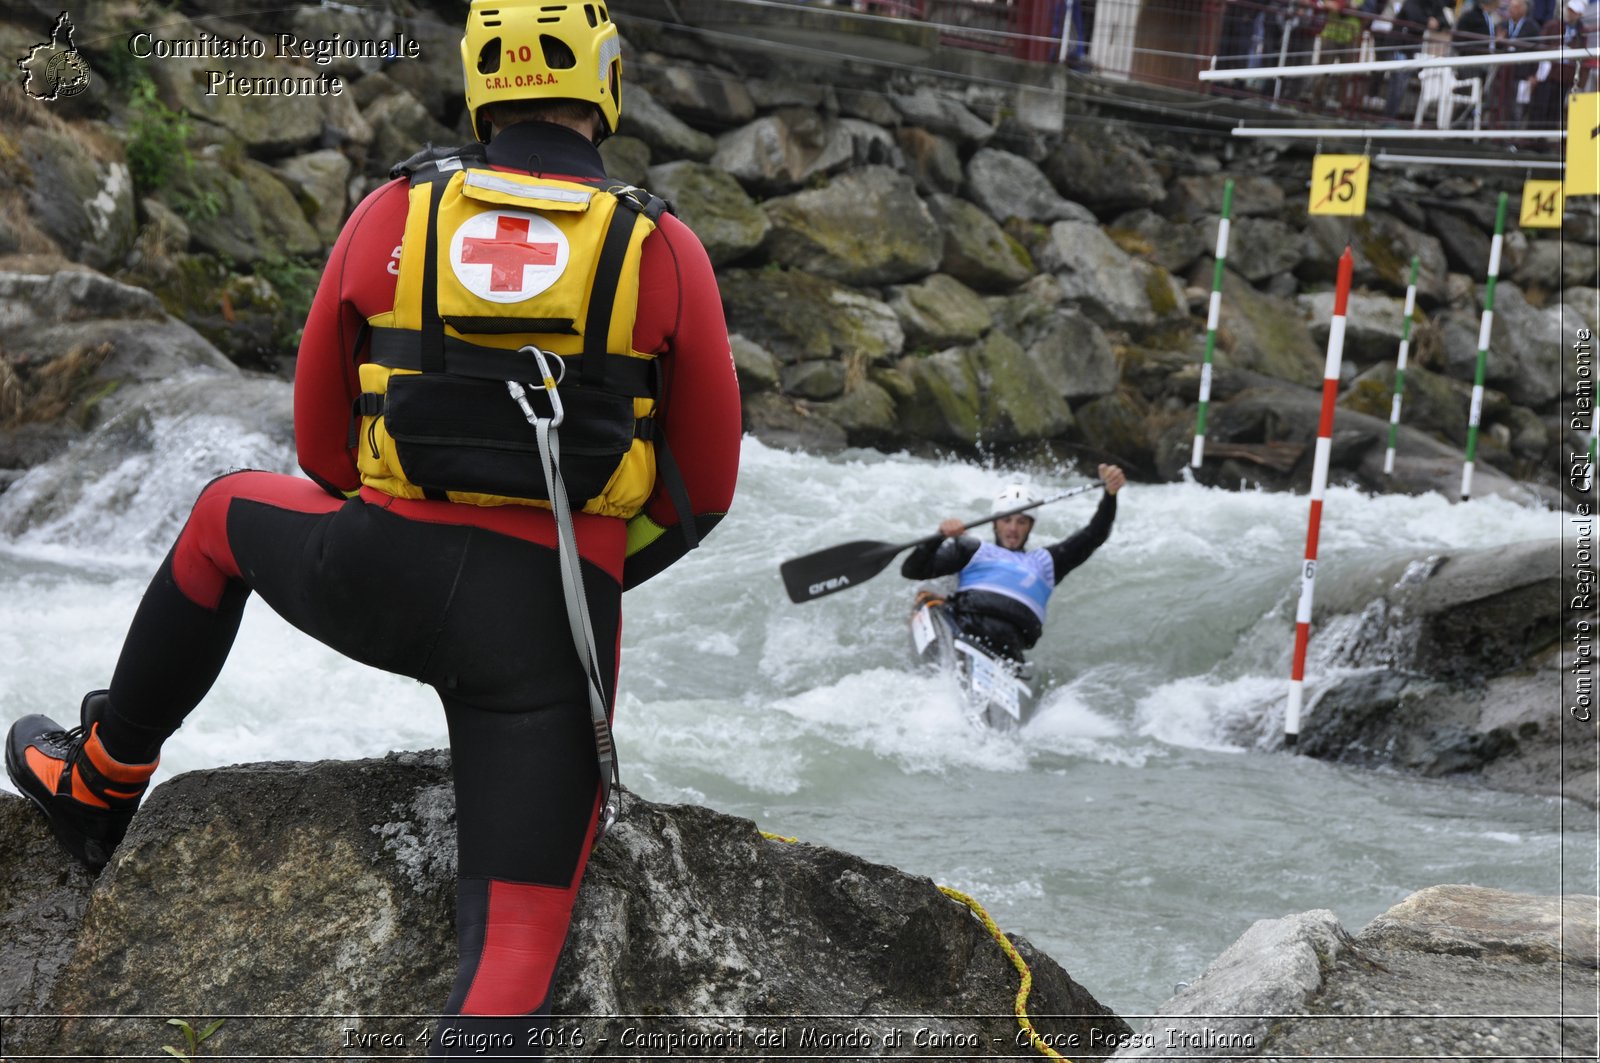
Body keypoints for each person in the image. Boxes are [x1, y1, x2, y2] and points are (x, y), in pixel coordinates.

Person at [3, 0, 741, 1056]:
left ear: (484, 88)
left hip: (374, 570)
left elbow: (318, 448)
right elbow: (703, 492)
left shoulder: (396, 211)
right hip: (540, 642)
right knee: (511, 962)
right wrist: (590, 573)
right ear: (606, 84)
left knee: (221, 512)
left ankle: (103, 775)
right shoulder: (663, 244)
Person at [900, 465, 1126, 662]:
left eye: (1021, 522)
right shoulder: (971, 550)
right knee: (929, 592)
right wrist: (938, 538)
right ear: (995, 523)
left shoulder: (1047, 562)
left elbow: (1094, 535)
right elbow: (912, 570)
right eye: (1006, 520)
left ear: (1030, 526)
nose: (1013, 529)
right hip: (964, 634)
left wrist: (1110, 495)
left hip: (1008, 652)